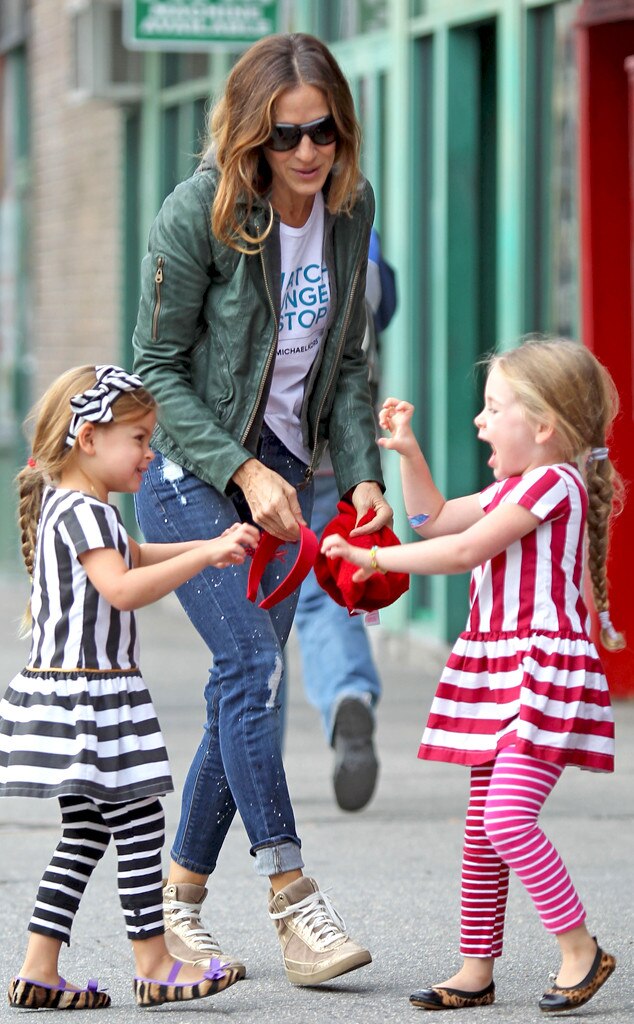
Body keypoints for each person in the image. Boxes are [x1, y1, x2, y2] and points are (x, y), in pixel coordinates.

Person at [132, 32, 392, 987]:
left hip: (289, 472)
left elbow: (352, 361)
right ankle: (292, 898)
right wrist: (242, 470)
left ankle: (179, 910)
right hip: (189, 469)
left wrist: (360, 472)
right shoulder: (199, 212)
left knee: (239, 690)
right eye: (287, 136)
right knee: (248, 662)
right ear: (251, 138)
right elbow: (156, 371)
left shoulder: (350, 211)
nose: (309, 151)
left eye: (323, 130)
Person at [322, 338, 622, 1013]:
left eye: (493, 408)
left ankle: (580, 949)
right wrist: (409, 454)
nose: (480, 421)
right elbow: (433, 520)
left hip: (540, 671)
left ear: (543, 426)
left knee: (508, 817)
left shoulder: (554, 483)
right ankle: (474, 968)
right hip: (501, 668)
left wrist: (376, 564)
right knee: (484, 826)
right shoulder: (513, 485)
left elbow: (462, 551)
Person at [0, 364, 258, 1009]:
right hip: (90, 696)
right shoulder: (85, 512)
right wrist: (203, 557)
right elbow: (121, 587)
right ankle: (155, 963)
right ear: (88, 438)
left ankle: (40, 970)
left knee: (87, 832)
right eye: (140, 438)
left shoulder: (84, 507)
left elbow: (134, 557)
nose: (150, 452)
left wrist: (209, 543)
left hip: (80, 693)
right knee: (141, 821)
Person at [293, 228, 397, 812]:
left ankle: (247, 770)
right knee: (325, 591)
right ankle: (347, 694)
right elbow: (386, 307)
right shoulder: (361, 237)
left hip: (262, 453)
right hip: (340, 451)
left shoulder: (248, 225)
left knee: (255, 604)